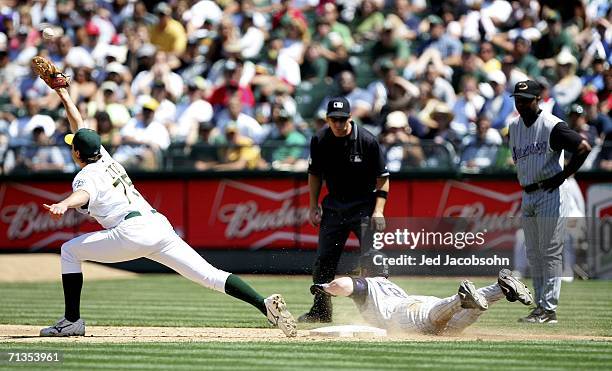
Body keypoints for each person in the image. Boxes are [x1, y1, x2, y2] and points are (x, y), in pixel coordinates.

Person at [38, 78, 296, 337]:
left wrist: (64, 203)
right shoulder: (104, 156)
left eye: (72, 146)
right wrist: (62, 93)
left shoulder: (85, 175)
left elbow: (83, 193)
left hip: (130, 231)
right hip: (158, 226)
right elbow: (79, 124)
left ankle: (72, 320)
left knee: (69, 251)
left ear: (77, 154)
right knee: (209, 275)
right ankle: (264, 304)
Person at [299, 97, 389, 323]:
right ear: (327, 119)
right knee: (324, 260)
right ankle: (320, 310)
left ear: (350, 118)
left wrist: (379, 210)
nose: (338, 124)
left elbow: (383, 179)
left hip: (364, 206)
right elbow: (315, 175)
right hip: (334, 206)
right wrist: (313, 205)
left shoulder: (367, 140)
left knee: (372, 259)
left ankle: (379, 312)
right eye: (333, 119)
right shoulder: (320, 139)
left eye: (342, 119)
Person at [508, 80, 591, 324]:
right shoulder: (513, 126)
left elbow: (583, 148)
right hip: (528, 192)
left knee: (550, 251)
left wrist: (562, 175)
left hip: (549, 192)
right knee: (533, 253)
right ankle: (539, 308)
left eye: (526, 99)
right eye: (517, 99)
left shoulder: (553, 125)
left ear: (538, 99)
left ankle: (548, 309)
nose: (521, 103)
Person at [309, 252, 533, 335]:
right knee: (453, 328)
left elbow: (346, 285)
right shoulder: (391, 286)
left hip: (405, 314)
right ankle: (499, 288)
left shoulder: (368, 283)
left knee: (435, 319)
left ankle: (460, 298)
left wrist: (325, 288)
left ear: (366, 271)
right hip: (418, 304)